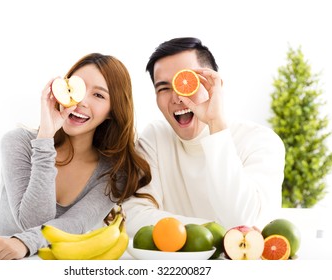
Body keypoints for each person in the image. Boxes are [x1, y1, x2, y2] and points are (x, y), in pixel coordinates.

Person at [0, 53, 153, 260]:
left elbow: (74, 224)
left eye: (98, 95)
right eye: (76, 87)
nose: (80, 101)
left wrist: (24, 242)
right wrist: (45, 138)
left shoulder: (114, 172)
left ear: (112, 111)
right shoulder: (18, 142)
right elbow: (32, 221)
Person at [123, 37, 286, 236]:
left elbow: (243, 220)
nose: (177, 98)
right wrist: (215, 232)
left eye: (186, 83)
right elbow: (132, 215)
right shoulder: (156, 138)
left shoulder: (260, 141)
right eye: (164, 88)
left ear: (213, 85)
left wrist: (215, 123)